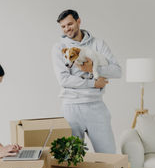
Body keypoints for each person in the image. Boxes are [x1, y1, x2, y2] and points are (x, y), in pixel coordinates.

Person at [51, 9, 121, 153]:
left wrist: (92, 69)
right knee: (71, 160)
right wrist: (93, 83)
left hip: (96, 106)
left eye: (69, 24)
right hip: (71, 108)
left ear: (78, 21)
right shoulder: (59, 48)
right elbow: (64, 80)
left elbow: (117, 71)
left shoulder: (98, 44)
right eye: (63, 27)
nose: (67, 29)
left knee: (109, 157)